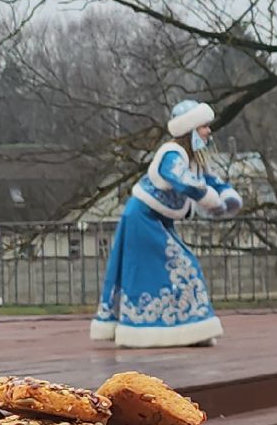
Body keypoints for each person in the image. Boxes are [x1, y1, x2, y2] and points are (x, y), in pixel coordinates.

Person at [91, 99, 242, 348]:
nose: (209, 131)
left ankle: (180, 327)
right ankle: (168, 327)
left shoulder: (193, 159)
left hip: (156, 219)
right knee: (180, 267)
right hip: (142, 218)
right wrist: (212, 201)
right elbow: (184, 182)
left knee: (167, 271)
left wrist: (228, 196)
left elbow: (209, 180)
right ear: (190, 130)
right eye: (204, 126)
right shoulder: (171, 154)